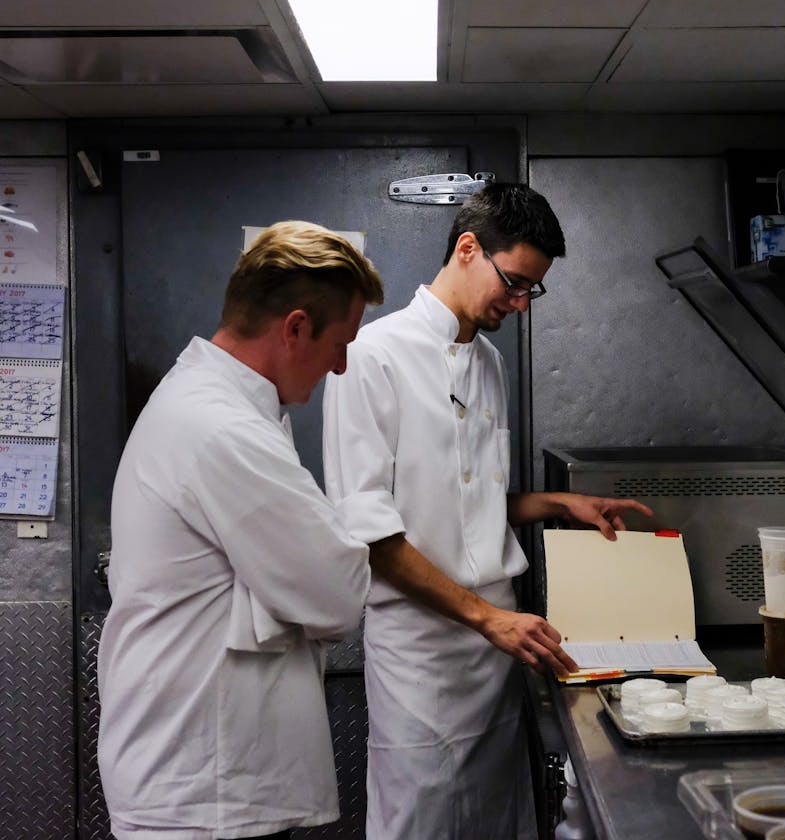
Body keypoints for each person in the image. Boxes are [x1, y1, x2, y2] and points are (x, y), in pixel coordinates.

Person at [322, 183, 652, 839]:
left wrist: (559, 503)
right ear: (468, 248)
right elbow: (371, 534)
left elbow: (465, 502)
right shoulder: (369, 358)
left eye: (534, 290)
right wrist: (487, 618)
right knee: (423, 819)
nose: (522, 303)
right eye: (516, 282)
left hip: (496, 646)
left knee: (498, 818)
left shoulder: (491, 363)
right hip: (424, 648)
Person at [97, 220, 386, 840]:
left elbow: (310, 579)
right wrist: (310, 568)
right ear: (296, 327)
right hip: (204, 788)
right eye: (341, 343)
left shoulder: (220, 406)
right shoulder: (222, 428)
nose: (340, 367)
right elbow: (336, 595)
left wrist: (287, 579)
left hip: (209, 778)